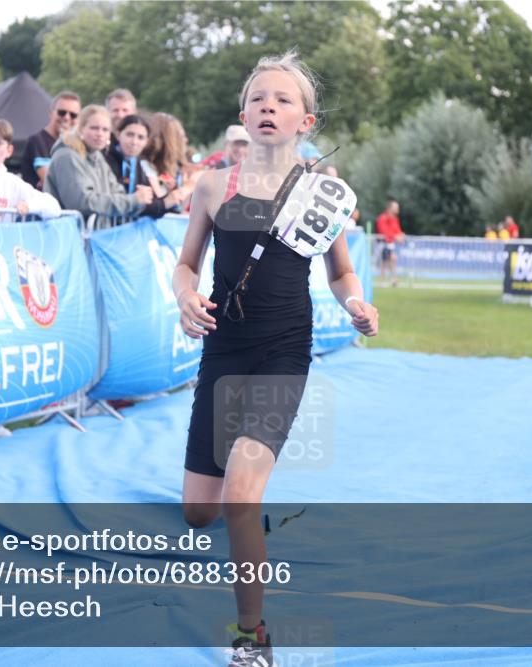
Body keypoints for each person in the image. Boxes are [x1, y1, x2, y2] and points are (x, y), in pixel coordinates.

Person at [172, 51, 379, 667]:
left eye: (283, 99)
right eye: (259, 97)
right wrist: (186, 296)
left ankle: (252, 638)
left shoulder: (325, 194)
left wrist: (357, 303)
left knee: (240, 491)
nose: (269, 106)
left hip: (284, 349)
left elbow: (342, 273)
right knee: (198, 510)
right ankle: (240, 507)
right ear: (243, 114)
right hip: (222, 350)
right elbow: (186, 263)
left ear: (306, 121)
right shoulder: (214, 183)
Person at [44, 105, 153, 225]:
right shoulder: (67, 156)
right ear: (81, 129)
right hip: (69, 236)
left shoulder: (97, 156)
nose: (100, 134)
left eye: (105, 129)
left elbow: (117, 192)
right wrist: (133, 200)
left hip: (96, 236)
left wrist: (138, 201)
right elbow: (82, 202)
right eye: (94, 128)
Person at [103, 114, 186, 220]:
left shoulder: (143, 165)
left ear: (147, 141)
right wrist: (165, 202)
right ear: (119, 134)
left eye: (140, 137)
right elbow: (125, 204)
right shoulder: (106, 160)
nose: (134, 142)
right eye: (129, 135)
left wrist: (172, 199)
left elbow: (151, 205)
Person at [20, 91, 81, 190]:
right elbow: (51, 181)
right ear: (51, 113)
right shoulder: (37, 141)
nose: (67, 117)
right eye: (62, 112)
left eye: (73, 115)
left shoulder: (77, 146)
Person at [140, 112, 198, 213]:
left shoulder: (169, 169)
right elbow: (160, 208)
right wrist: (189, 187)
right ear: (168, 139)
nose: (185, 140)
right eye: (181, 136)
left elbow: (178, 210)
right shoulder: (145, 166)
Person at [376, 199, 404, 286]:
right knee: (385, 262)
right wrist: (396, 236)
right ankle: (383, 281)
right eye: (396, 207)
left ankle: (393, 279)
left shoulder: (395, 219)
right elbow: (383, 231)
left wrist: (401, 235)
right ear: (390, 208)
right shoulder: (382, 218)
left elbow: (397, 230)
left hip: (391, 244)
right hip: (383, 243)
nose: (398, 209)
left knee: (392, 259)